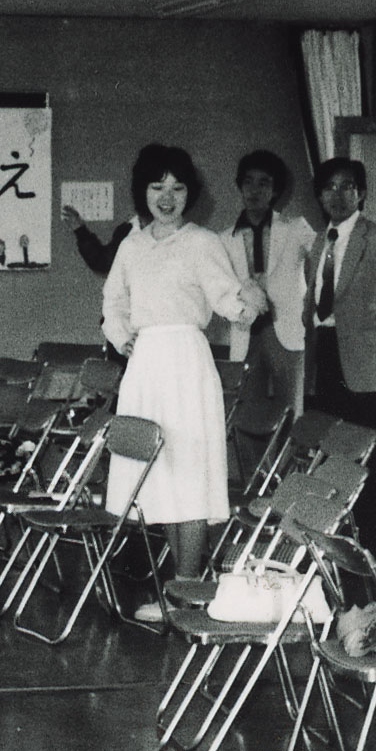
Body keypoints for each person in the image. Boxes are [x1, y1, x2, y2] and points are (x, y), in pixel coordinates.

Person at [100, 144, 266, 594]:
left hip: (186, 365)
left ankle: (189, 584)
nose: (167, 196)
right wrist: (122, 337)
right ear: (143, 191)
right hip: (145, 365)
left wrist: (249, 303)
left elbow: (228, 299)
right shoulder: (131, 244)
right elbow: (113, 301)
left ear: (190, 193)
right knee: (158, 476)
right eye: (158, 186)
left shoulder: (202, 242)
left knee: (188, 472)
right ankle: (178, 587)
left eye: (177, 187)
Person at [303, 158, 376, 432]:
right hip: (322, 349)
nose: (338, 195)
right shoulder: (320, 239)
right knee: (326, 437)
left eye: (347, 186)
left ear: (362, 193)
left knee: (362, 439)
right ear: (320, 196)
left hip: (362, 355)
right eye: (329, 187)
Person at [225, 149, 314, 433]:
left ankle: (290, 475)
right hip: (244, 333)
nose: (254, 190)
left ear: (275, 190)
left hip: (288, 333)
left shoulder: (296, 228)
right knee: (247, 415)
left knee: (292, 415)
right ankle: (255, 475)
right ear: (239, 186)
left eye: (264, 183)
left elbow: (327, 258)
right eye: (248, 182)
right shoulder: (222, 239)